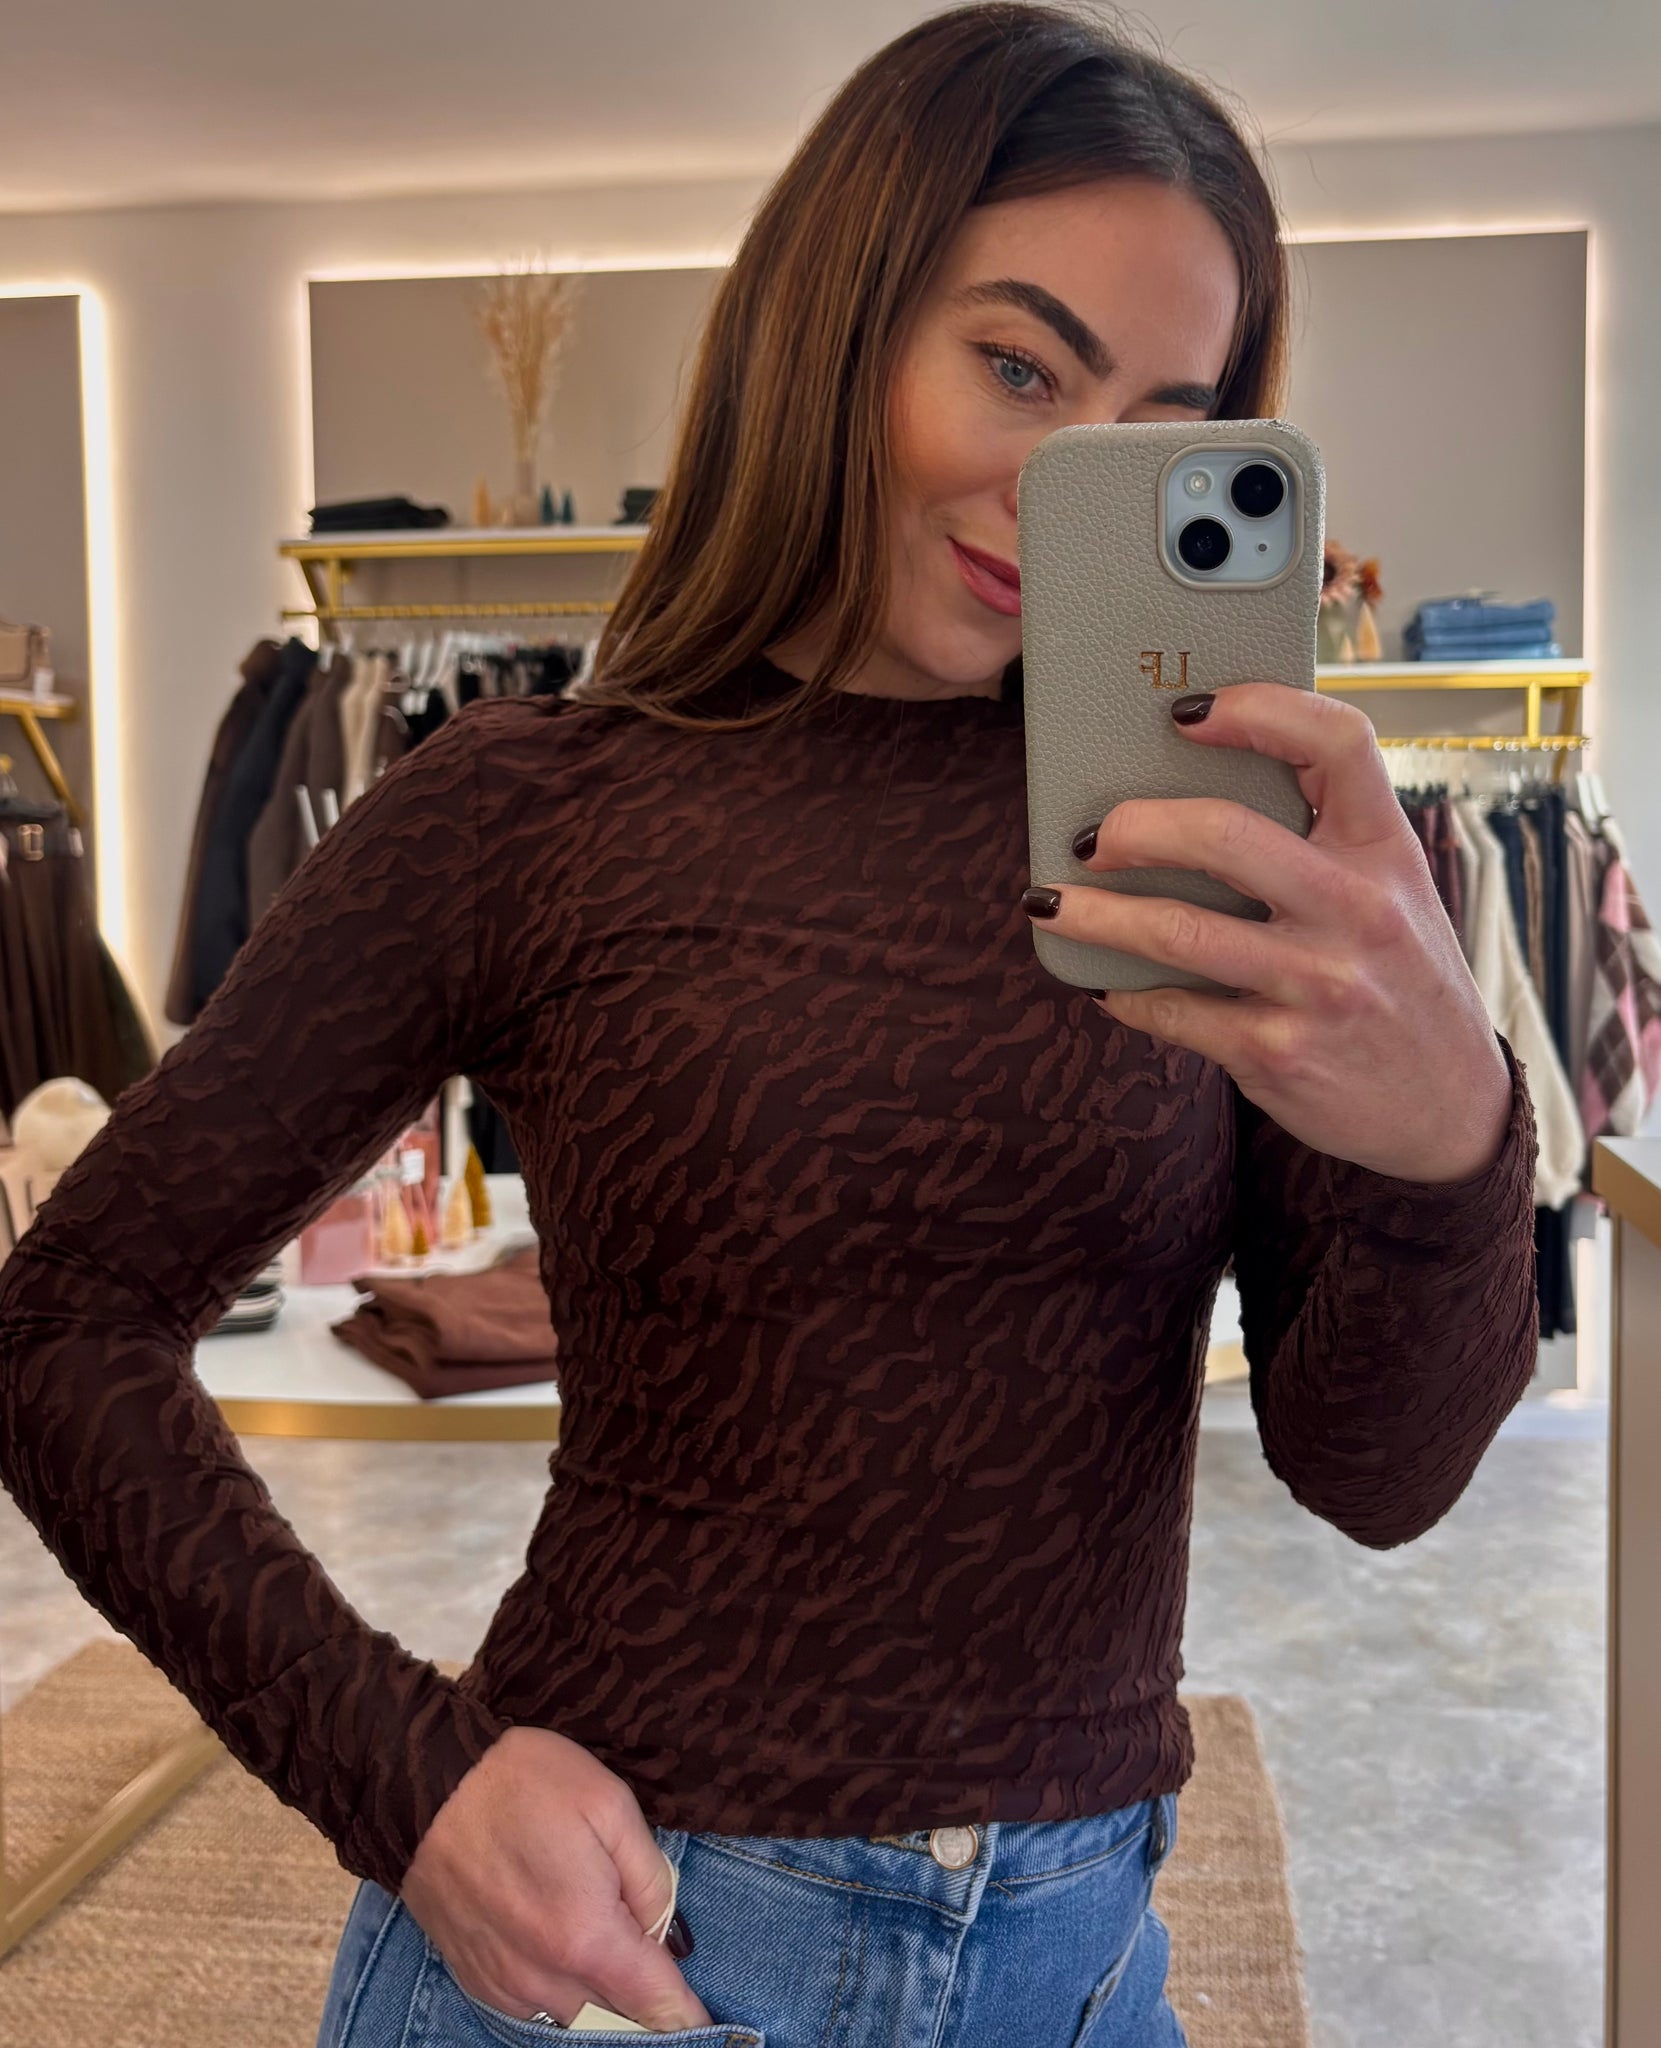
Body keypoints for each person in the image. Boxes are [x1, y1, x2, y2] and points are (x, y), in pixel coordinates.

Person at [0, 6, 1540, 2045]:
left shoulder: (1216, 851)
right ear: (840, 323)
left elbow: (1374, 1474)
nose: (1057, 483)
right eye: (1016, 366)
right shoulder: (529, 808)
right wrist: (406, 1780)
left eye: (1153, 423)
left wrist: (1450, 1140)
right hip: (623, 1951)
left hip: (1072, 1965)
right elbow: (65, 1320)